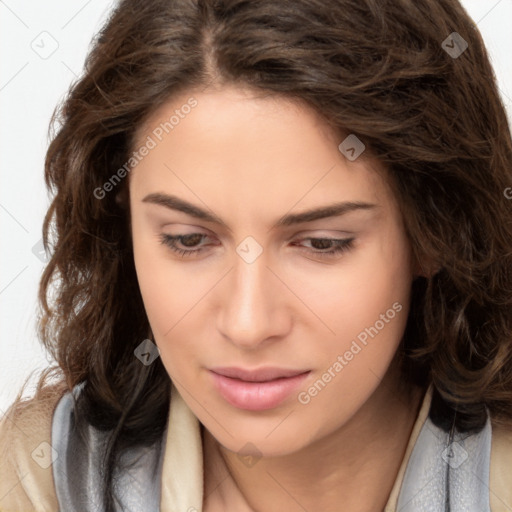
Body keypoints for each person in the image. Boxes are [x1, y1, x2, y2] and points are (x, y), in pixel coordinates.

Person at [1, 0, 512, 511]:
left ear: (435, 233)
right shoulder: (37, 478)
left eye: (322, 244)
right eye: (187, 239)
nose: (247, 325)